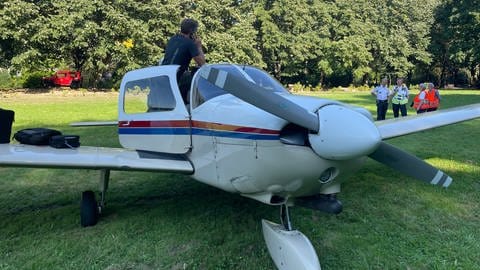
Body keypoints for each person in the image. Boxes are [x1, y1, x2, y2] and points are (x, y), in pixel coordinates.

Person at [161, 18, 206, 103]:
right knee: (194, 79)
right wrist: (199, 46)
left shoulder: (172, 39)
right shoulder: (190, 43)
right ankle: (186, 104)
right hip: (175, 77)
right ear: (192, 31)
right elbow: (202, 64)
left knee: (186, 76)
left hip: (163, 75)